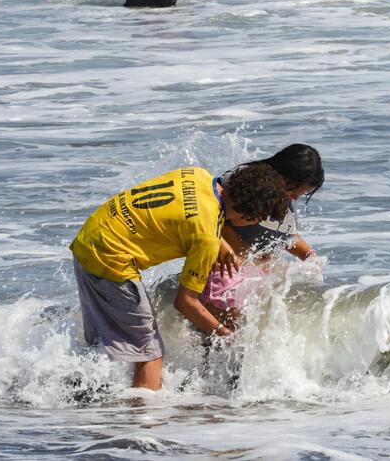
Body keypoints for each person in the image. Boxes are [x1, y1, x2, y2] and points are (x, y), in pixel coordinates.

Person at [70, 163, 289, 391]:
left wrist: (219, 242)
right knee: (150, 354)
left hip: (92, 236)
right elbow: (185, 303)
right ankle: (144, 420)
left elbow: (188, 212)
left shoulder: (198, 175)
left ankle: (74, 392)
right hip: (111, 260)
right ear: (249, 215)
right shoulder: (206, 237)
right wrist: (227, 334)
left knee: (100, 342)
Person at [200, 144, 325, 328]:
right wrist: (236, 253)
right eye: (297, 190)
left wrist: (308, 255)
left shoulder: (283, 198)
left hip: (259, 272)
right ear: (286, 176)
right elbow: (210, 217)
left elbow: (284, 234)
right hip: (227, 269)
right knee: (233, 330)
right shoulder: (247, 182)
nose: (297, 197)